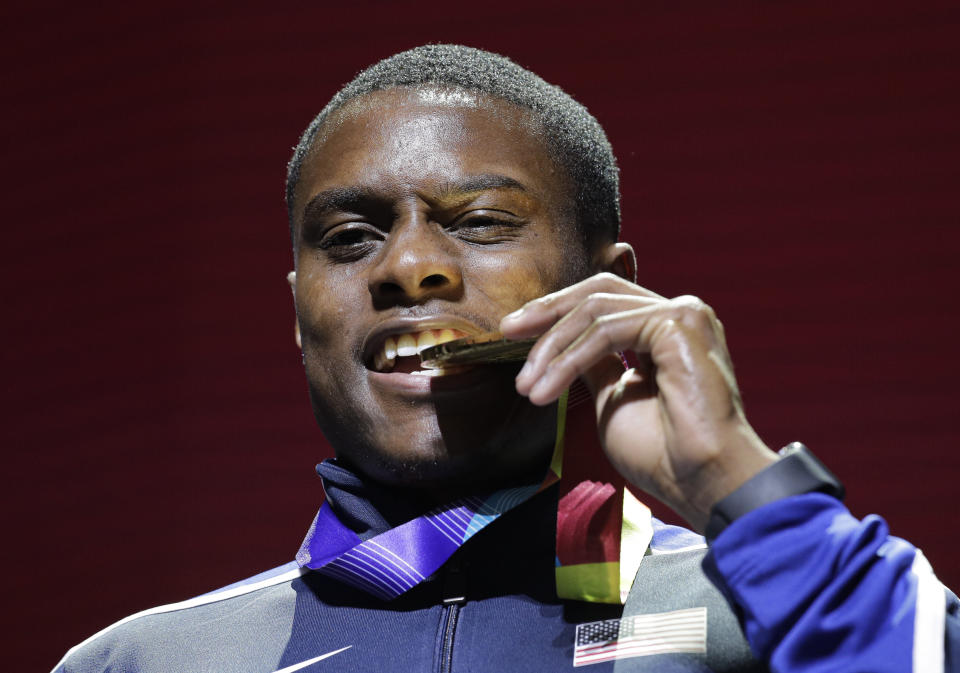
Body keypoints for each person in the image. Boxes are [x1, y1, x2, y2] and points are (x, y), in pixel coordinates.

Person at [53, 44, 958, 673]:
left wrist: (732, 479)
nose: (408, 267)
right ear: (297, 313)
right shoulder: (144, 659)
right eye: (350, 235)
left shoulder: (752, 624)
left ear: (606, 288)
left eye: (481, 223)